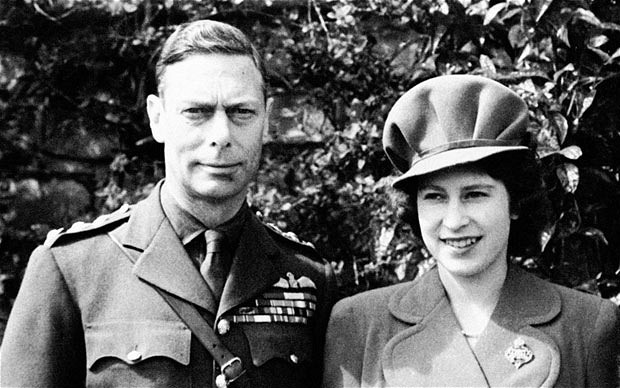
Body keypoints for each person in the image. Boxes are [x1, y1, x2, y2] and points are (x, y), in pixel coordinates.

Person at [1, 20, 337, 388]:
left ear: (266, 121)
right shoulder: (73, 269)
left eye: (242, 112)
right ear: (157, 118)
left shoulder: (308, 276)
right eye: (197, 112)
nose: (221, 136)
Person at [322, 75, 620, 387]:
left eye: (475, 194)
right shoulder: (359, 325)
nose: (453, 221)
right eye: (435, 197)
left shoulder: (586, 326)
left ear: (515, 203)